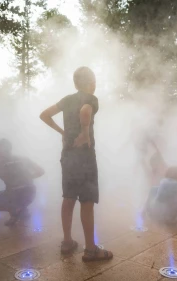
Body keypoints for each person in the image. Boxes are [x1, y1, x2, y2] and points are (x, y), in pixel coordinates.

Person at [39, 66, 113, 262]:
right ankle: (90, 250)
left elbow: (44, 114)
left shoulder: (67, 99)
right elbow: (85, 111)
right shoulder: (90, 98)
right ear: (91, 83)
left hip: (68, 155)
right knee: (87, 202)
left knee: (69, 197)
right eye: (94, 81)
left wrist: (63, 132)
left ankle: (67, 242)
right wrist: (85, 132)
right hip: (85, 157)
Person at [0, 139, 44, 226]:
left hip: (12, 197)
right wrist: (28, 177)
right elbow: (41, 171)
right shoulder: (23, 159)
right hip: (30, 195)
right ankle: (22, 210)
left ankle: (15, 211)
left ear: (1, 151)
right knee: (16, 197)